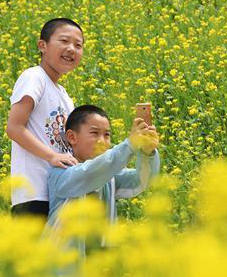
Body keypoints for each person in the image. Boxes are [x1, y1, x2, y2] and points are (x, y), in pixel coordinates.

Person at [45, 105, 161, 256]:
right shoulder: (62, 172)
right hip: (63, 271)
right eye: (94, 133)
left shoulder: (109, 178)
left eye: (107, 135)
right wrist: (130, 145)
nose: (102, 141)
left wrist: (147, 152)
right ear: (72, 137)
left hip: (98, 269)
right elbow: (91, 172)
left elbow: (141, 181)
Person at [6, 18, 84, 219]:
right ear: (43, 46)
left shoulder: (65, 96)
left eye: (78, 45)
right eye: (64, 41)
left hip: (59, 194)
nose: (71, 49)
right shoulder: (34, 77)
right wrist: (52, 156)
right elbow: (14, 128)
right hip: (34, 195)